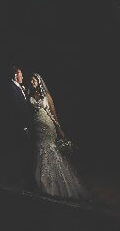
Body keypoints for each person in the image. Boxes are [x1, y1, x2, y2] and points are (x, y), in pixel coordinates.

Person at [28, 72, 90, 201]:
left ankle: (55, 184)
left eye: (34, 80)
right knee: (40, 150)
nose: (32, 82)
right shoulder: (30, 94)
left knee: (50, 149)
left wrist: (59, 128)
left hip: (48, 126)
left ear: (39, 81)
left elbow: (54, 113)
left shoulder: (47, 95)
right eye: (31, 80)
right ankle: (41, 183)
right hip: (37, 128)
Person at [7, 65, 33, 188]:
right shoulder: (11, 89)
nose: (22, 76)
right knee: (21, 153)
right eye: (21, 74)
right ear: (15, 75)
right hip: (19, 128)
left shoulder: (18, 87)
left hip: (25, 126)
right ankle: (21, 180)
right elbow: (16, 110)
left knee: (25, 152)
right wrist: (24, 127)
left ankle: (25, 178)